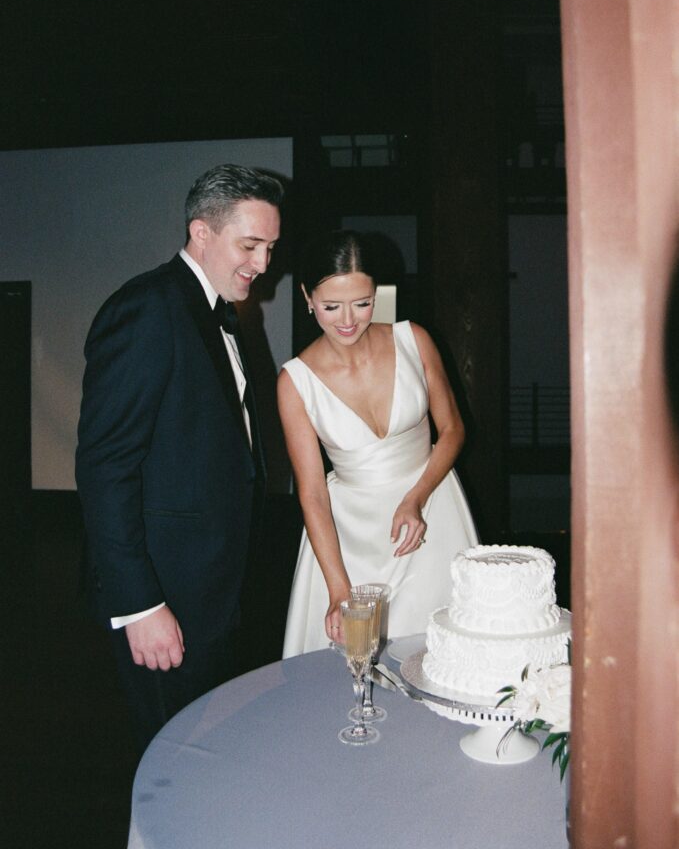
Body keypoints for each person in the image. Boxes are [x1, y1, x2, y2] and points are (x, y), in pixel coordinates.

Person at [75, 163, 283, 750]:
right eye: (250, 245)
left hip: (211, 587)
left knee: (203, 748)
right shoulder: (148, 307)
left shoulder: (218, 311)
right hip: (164, 590)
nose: (263, 264)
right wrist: (140, 605)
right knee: (171, 757)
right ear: (201, 232)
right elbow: (105, 467)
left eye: (270, 248)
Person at [279, 230, 478, 657]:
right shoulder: (295, 381)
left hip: (431, 513)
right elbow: (312, 493)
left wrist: (416, 497)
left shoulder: (414, 340)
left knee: (443, 656)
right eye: (331, 306)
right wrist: (338, 587)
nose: (348, 320)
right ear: (307, 297)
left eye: (362, 303)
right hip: (349, 538)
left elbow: (453, 430)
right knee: (351, 668)